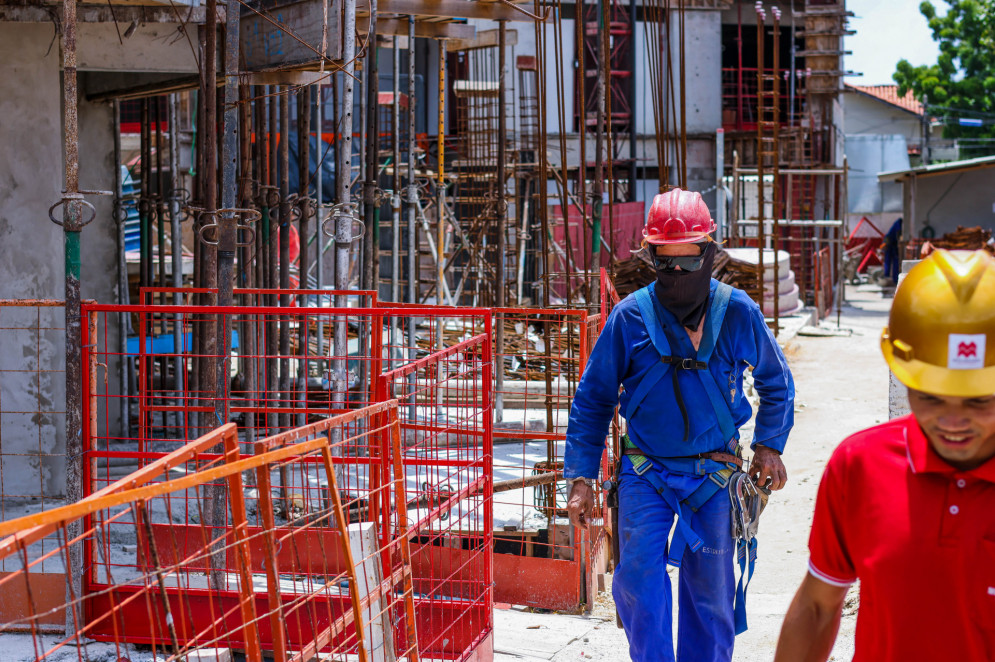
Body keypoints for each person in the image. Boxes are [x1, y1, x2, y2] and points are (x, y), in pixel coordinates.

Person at [565, 188, 795, 662]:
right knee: (637, 580)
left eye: (688, 263)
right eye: (665, 264)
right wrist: (581, 476)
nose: (677, 275)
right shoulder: (630, 318)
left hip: (714, 474)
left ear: (709, 254)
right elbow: (593, 399)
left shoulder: (737, 313)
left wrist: (769, 446)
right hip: (644, 470)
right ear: (651, 257)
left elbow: (776, 381)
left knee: (710, 591)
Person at [774, 249, 995, 661]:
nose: (953, 421)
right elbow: (819, 605)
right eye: (929, 397)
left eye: (978, 401)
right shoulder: (861, 466)